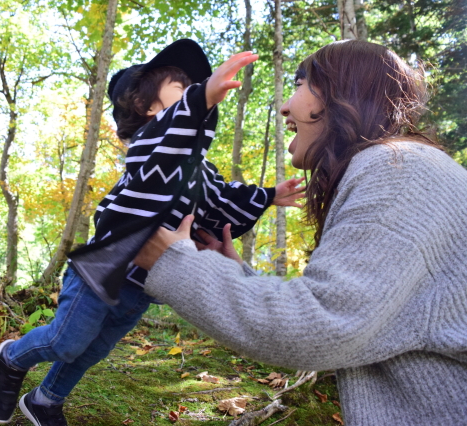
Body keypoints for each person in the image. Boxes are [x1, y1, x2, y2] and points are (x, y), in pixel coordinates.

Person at [134, 39, 467, 426]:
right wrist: (236, 274)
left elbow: (323, 327)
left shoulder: (399, 169)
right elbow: (367, 318)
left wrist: (175, 264)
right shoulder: (406, 168)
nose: (284, 107)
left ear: (342, 93)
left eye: (299, 84)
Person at [0, 39, 304, 426]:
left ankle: (45, 400)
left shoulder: (198, 167)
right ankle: (12, 358)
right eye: (182, 88)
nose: (192, 94)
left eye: (193, 89)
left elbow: (221, 198)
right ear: (147, 107)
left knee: (94, 350)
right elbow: (174, 134)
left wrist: (268, 195)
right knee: (65, 342)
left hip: (145, 283)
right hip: (103, 270)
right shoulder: (148, 144)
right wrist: (203, 95)